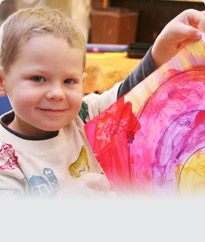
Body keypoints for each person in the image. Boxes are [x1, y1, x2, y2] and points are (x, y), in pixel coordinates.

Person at [0, 7, 204, 198]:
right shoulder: (5, 159)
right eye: (38, 79)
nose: (57, 93)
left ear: (83, 82)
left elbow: (129, 94)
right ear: (2, 82)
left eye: (69, 81)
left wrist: (162, 50)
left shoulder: (83, 114)